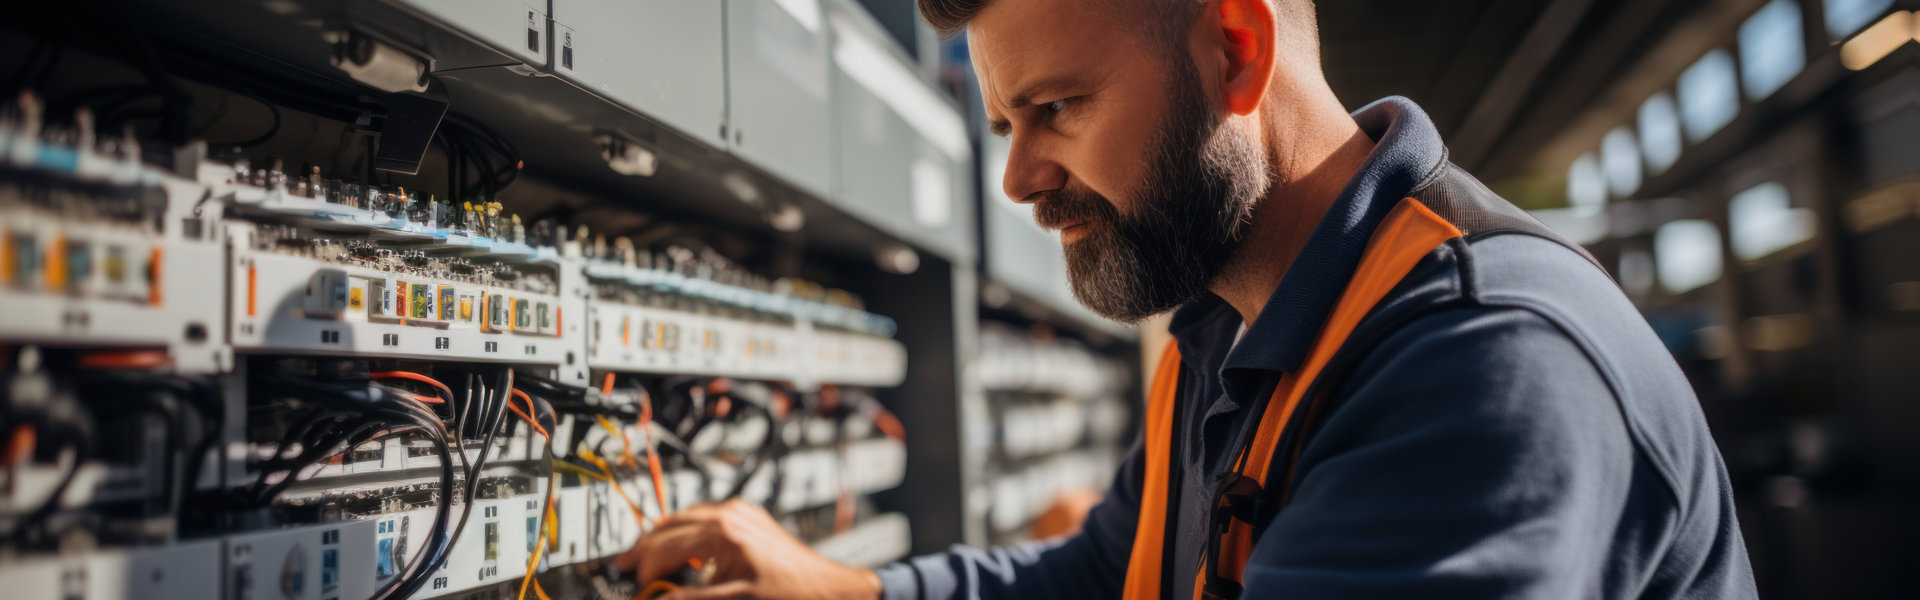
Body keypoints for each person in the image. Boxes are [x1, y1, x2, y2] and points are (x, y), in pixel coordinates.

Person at [617, 0, 1758, 598]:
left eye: (1056, 109)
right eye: (1006, 125)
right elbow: (1107, 576)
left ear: (1235, 47)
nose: (1017, 180)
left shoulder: (1483, 357)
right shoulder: (1227, 331)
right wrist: (849, 592)